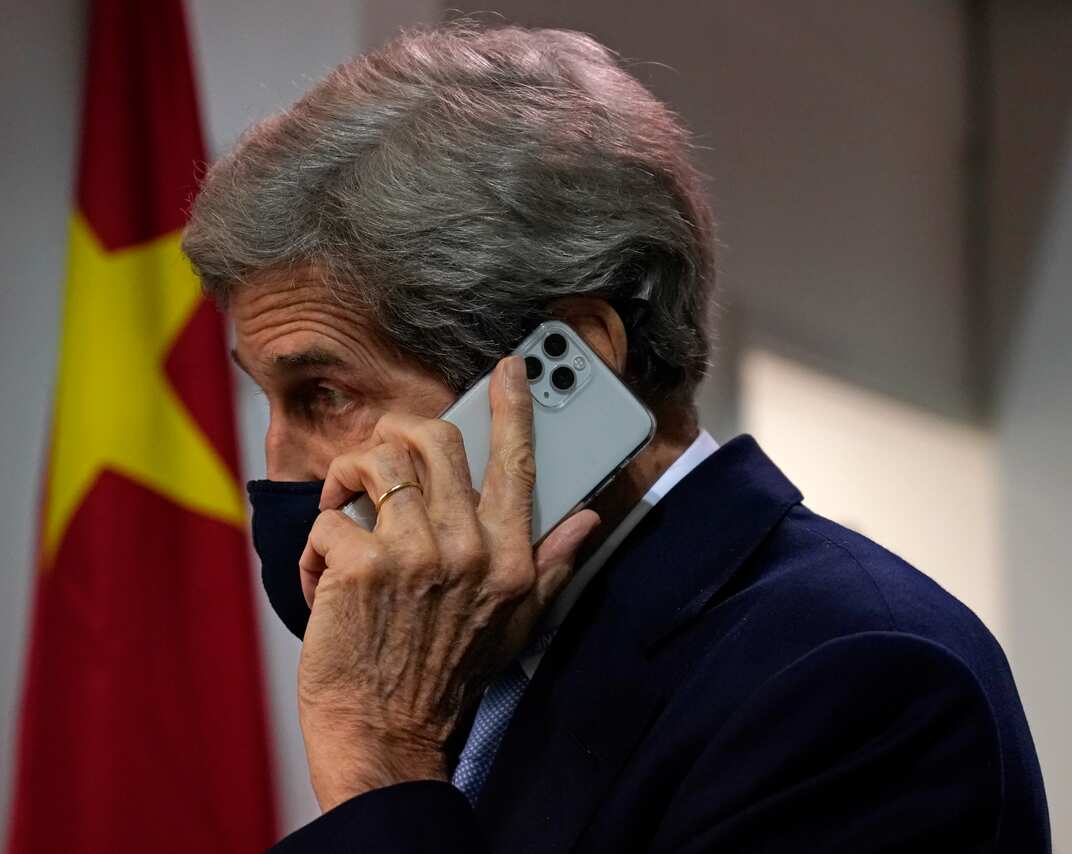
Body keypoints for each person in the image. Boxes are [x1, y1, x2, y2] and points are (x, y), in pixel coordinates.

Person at [182, 22, 1050, 853]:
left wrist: (380, 764)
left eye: (325, 394)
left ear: (569, 366)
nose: (280, 462)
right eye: (267, 399)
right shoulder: (473, 652)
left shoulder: (858, 678)